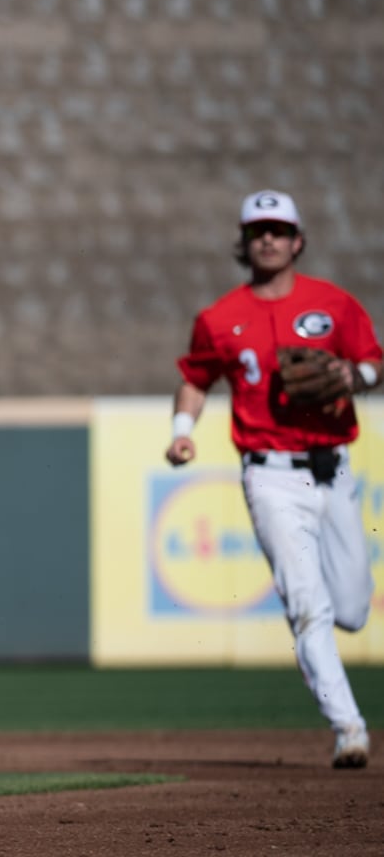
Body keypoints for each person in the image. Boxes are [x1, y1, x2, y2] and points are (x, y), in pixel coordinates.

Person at [165, 189, 380, 769]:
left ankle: (335, 684)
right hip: (270, 476)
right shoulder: (219, 318)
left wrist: (350, 374)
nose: (268, 238)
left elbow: (373, 362)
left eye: (279, 229)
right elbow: (195, 377)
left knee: (354, 608)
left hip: (332, 469)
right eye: (258, 229)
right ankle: (349, 728)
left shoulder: (333, 304)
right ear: (244, 240)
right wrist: (183, 428)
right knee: (306, 605)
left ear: (298, 240)